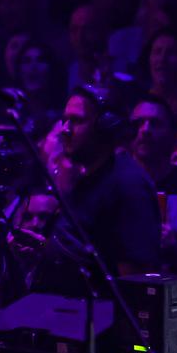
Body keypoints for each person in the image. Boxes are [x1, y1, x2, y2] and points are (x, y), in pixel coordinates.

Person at [53, 85, 161, 279]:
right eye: (64, 120)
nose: (65, 129)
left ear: (105, 126)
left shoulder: (129, 185)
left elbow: (136, 281)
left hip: (102, 309)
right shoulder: (88, 179)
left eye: (76, 121)